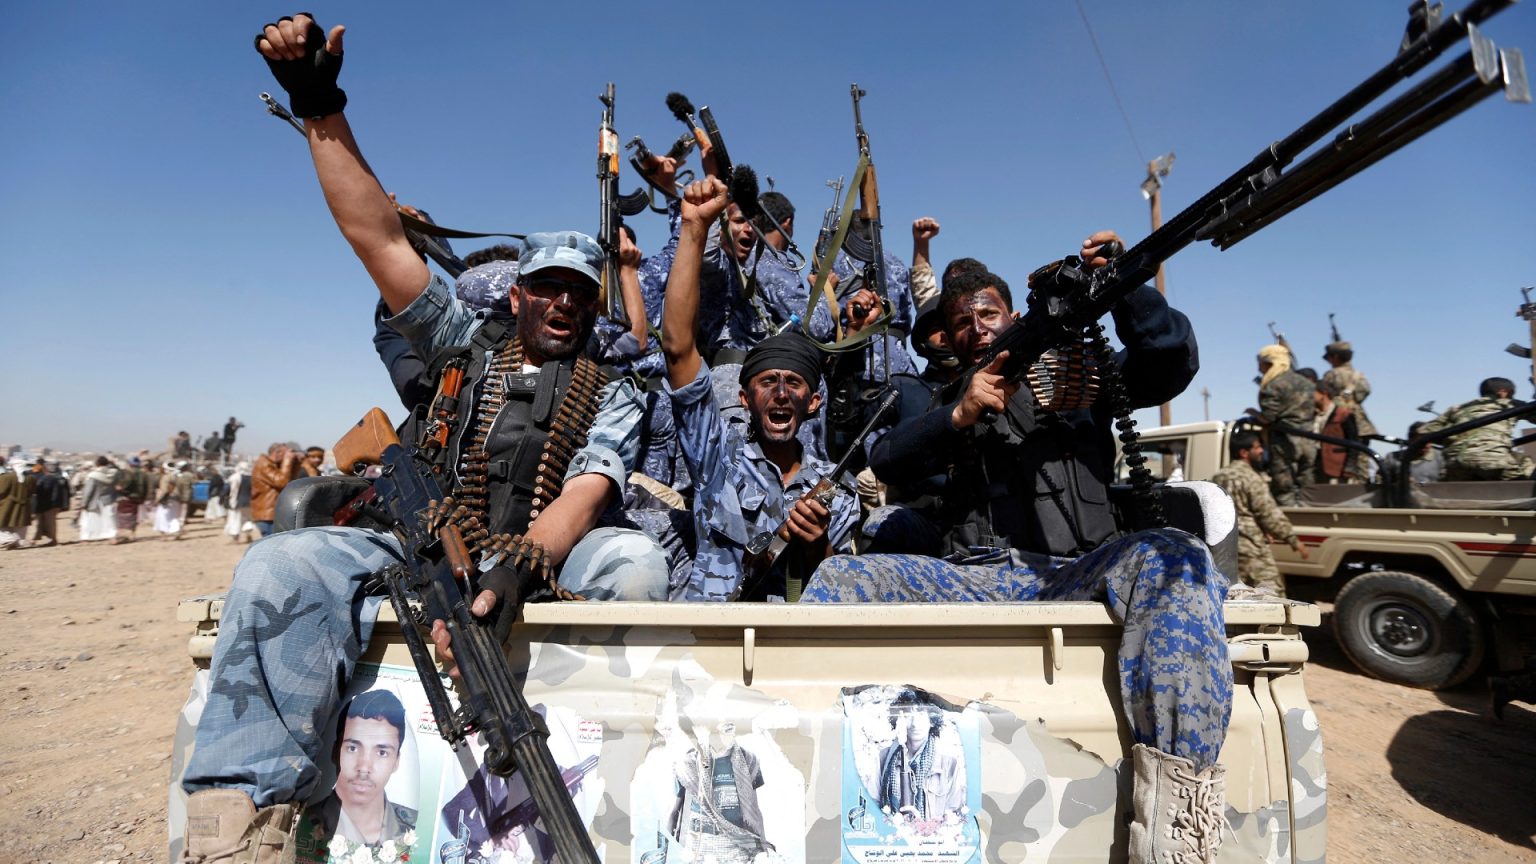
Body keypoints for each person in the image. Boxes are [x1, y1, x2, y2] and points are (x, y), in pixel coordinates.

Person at [179, 17, 671, 862]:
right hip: (419, 540)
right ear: (515, 296)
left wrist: (519, 564)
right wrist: (319, 106)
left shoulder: (615, 384)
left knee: (636, 566)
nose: (564, 303)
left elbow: (590, 482)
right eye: (547, 288)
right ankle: (245, 816)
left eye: (580, 294)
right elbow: (376, 234)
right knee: (279, 564)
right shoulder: (458, 341)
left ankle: (608, 771)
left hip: (542, 551)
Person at [799, 246, 1233, 864]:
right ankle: (814, 773)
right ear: (947, 337)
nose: (978, 328)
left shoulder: (1082, 376)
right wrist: (959, 414)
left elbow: (1169, 361)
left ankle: (1178, 827)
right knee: (845, 577)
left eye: (989, 314)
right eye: (962, 322)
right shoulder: (942, 397)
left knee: (1174, 554)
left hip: (1076, 573)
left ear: (1012, 315)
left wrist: (1123, 285)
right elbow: (887, 459)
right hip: (973, 578)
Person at [661, 177, 858, 600]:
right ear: (744, 400)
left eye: (794, 383)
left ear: (814, 402)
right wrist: (694, 229)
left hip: (796, 635)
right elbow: (677, 350)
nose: (781, 393)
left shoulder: (839, 488)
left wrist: (816, 545)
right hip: (711, 632)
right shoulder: (718, 458)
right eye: (767, 382)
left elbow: (839, 590)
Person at [311, 691, 418, 847]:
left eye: (382, 752)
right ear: (335, 751)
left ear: (396, 761)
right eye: (352, 748)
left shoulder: (417, 829)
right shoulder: (300, 823)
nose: (364, 767)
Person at [1211, 431, 1308, 596]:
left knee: (1236, 594)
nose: (1262, 450)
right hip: (1251, 547)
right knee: (1272, 594)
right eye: (1257, 447)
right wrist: (1293, 540)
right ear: (1244, 452)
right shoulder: (1251, 478)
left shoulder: (1218, 477)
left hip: (1225, 548)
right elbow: (1267, 512)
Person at [1416, 377, 1535, 481]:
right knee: (1526, 462)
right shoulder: (1511, 404)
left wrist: (1451, 440)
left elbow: (1424, 431)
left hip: (1457, 464)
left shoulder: (1458, 408)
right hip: (1495, 462)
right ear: (1503, 393)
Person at [876, 691, 965, 823]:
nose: (915, 723)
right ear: (899, 720)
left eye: (922, 714)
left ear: (932, 720)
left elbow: (954, 815)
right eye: (908, 715)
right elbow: (872, 806)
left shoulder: (949, 764)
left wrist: (924, 828)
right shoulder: (883, 759)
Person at [1247, 343, 1317, 505]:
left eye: (1260, 363)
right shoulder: (1307, 383)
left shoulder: (1272, 385)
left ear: (1270, 363)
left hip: (1285, 443)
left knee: (1284, 489)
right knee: (1307, 487)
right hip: (1309, 441)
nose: (1259, 368)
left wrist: (1253, 414)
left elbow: (1268, 418)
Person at [1322, 340, 1377, 438]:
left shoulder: (1332, 374)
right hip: (1361, 425)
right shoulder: (1358, 375)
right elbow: (1366, 390)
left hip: (1339, 422)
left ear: (1335, 357)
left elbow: (1324, 394)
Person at [1312, 379, 1362, 482]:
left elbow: (1354, 443)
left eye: (1313, 392)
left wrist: (1349, 468)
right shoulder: (1311, 415)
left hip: (1336, 467)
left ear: (1323, 394)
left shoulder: (1343, 414)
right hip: (1315, 467)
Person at [250, 442, 302, 537]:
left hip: (274, 513)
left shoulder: (275, 465)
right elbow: (282, 482)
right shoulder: (263, 464)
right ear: (276, 453)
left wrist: (296, 464)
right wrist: (287, 461)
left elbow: (291, 483)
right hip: (267, 515)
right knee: (272, 543)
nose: (288, 456)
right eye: (286, 453)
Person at [77, 456, 119, 543]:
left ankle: (87, 537)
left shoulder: (93, 475)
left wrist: (84, 503)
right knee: (109, 520)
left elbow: (88, 491)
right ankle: (111, 536)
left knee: (90, 520)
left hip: (95, 501)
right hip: (109, 500)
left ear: (97, 464)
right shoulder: (113, 474)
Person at [113, 456, 153, 543]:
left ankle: (124, 536)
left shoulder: (129, 472)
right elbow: (147, 487)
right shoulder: (144, 474)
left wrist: (120, 488)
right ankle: (131, 534)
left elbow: (128, 482)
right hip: (138, 498)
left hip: (127, 498)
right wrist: (143, 498)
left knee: (124, 516)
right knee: (133, 516)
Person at [30, 460, 68, 547]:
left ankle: (53, 540)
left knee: (48, 523)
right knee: (45, 523)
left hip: (48, 505)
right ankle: (37, 539)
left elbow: (42, 491)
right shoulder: (60, 478)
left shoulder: (48, 478)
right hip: (53, 504)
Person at [0, 459, 36, 546]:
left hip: (8, 505)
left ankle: (8, 540)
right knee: (20, 525)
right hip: (24, 505)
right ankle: (18, 541)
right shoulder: (31, 478)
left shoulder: (7, 477)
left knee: (4, 523)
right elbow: (33, 491)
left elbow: (1, 491)